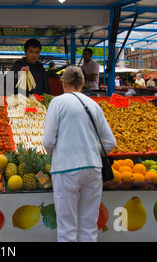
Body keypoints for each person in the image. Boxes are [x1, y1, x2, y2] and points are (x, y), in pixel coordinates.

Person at [42, 66, 116, 242]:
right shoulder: (94, 105)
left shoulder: (57, 102)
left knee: (67, 226)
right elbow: (110, 143)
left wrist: (57, 152)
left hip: (66, 168)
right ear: (83, 83)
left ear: (63, 83)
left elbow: (48, 141)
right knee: (89, 225)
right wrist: (89, 150)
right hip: (93, 169)